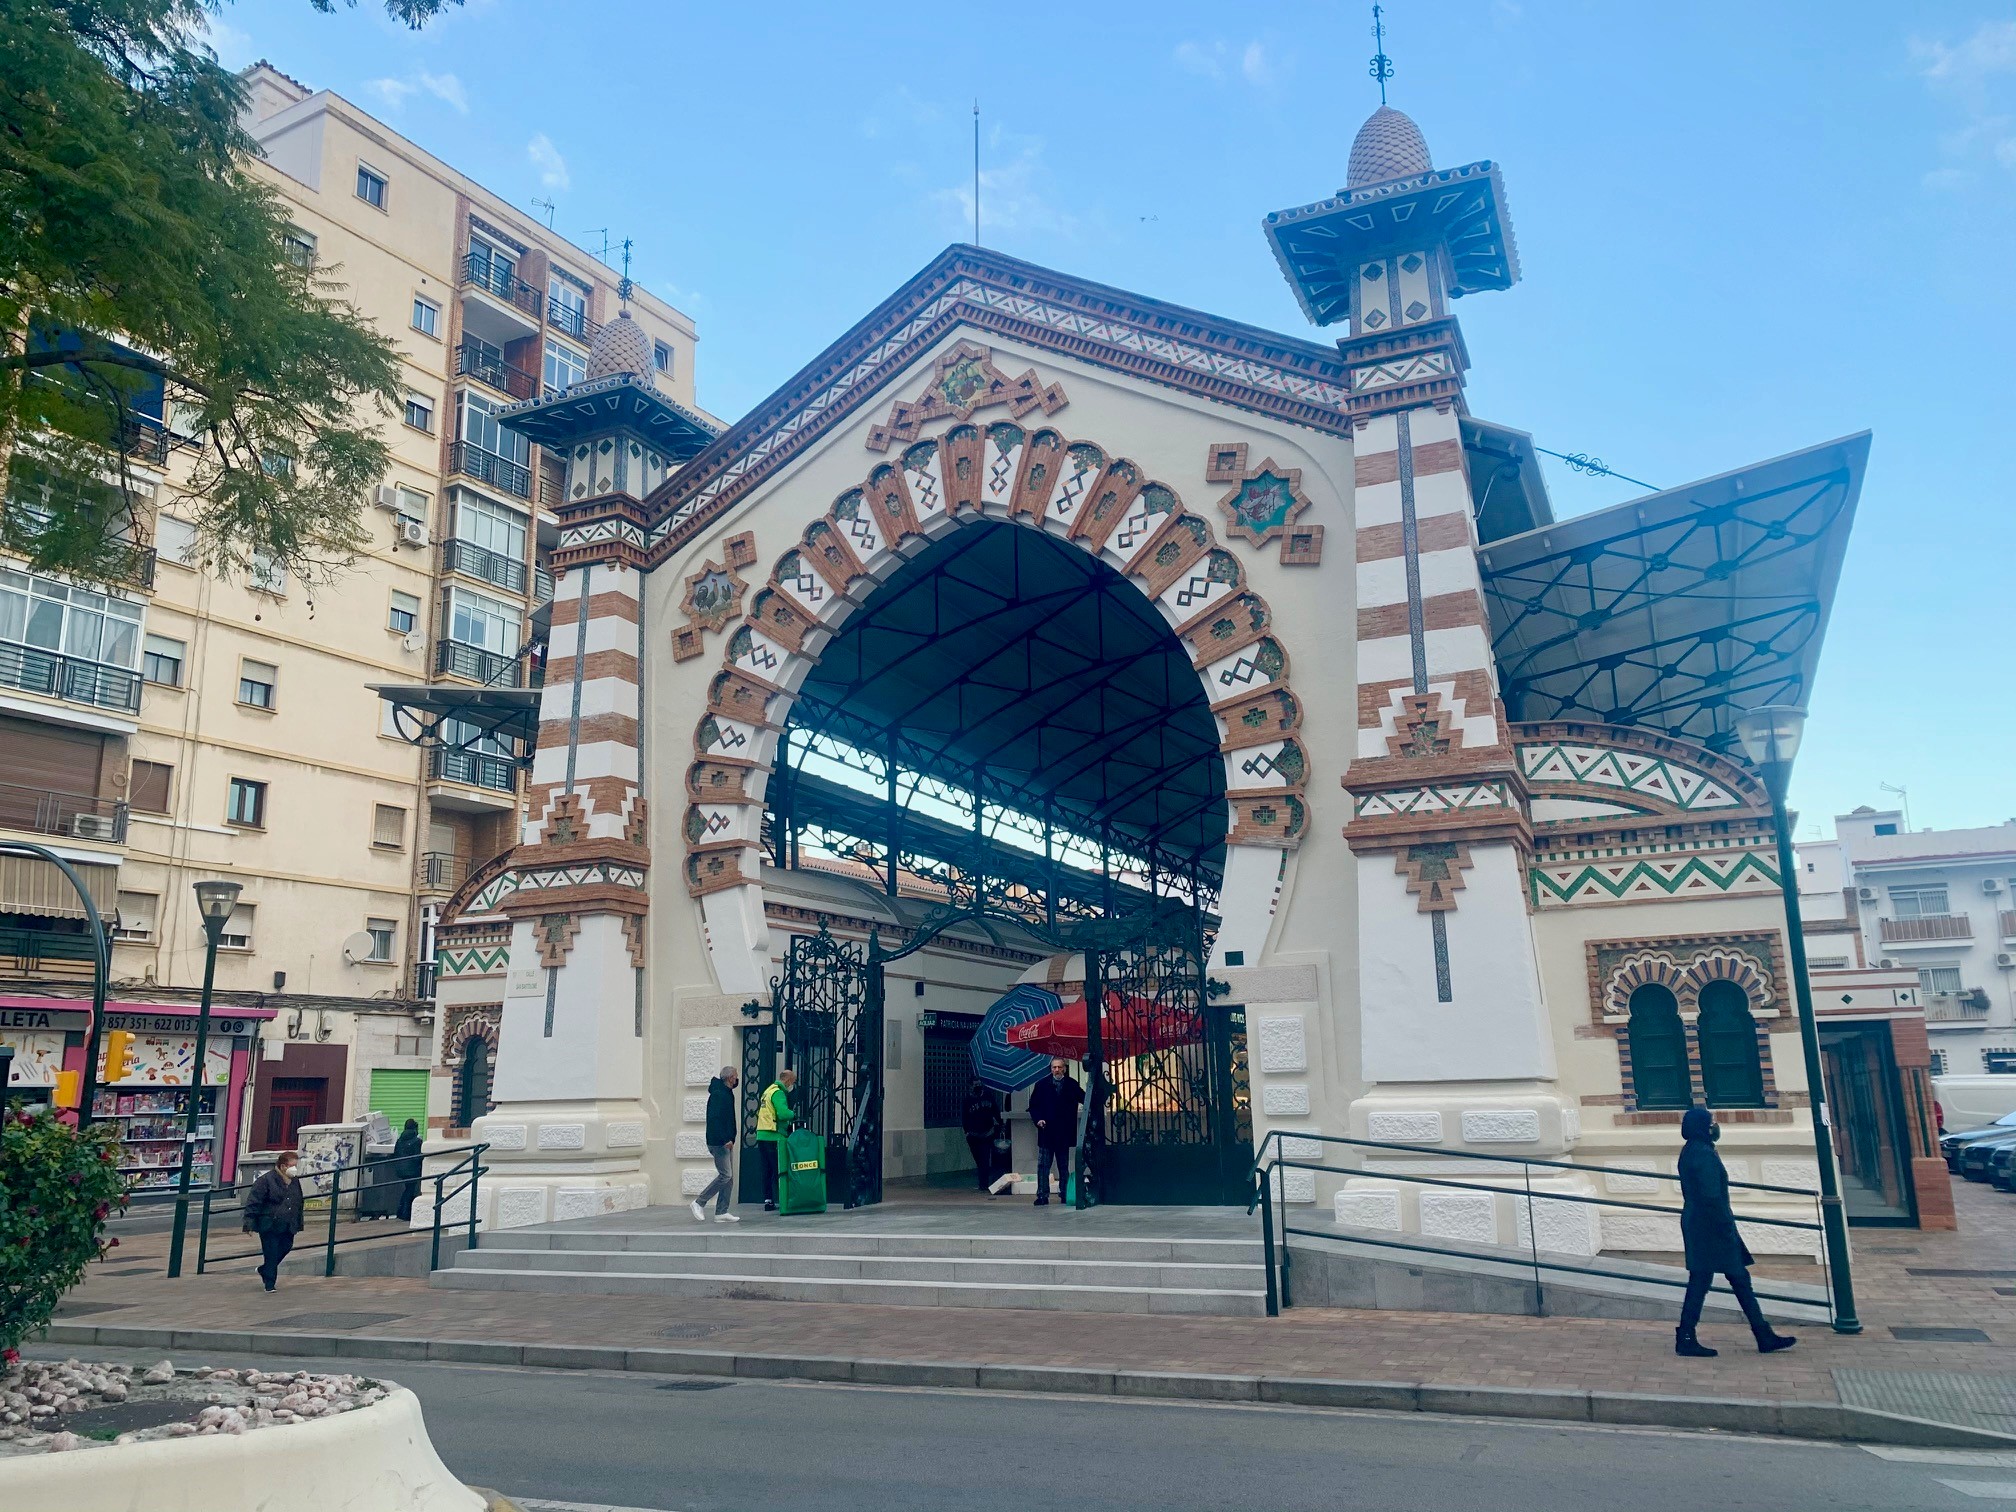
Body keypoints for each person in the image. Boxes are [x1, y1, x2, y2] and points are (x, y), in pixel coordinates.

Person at [1676, 1106, 1798, 1357]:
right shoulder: (1702, 1154)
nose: (1715, 1126)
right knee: (1729, 1279)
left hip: (1701, 1224)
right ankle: (1759, 1334)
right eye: (1711, 1122)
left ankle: (1691, 1335)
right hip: (1711, 1227)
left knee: (1711, 1280)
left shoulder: (1693, 1150)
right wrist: (1726, 1229)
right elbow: (1712, 1196)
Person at [242, 1151, 305, 1292]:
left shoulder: (294, 1181)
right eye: (292, 1165)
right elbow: (254, 1202)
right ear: (283, 1166)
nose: (294, 1169)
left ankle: (265, 1270)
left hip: (288, 1223)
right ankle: (270, 1283)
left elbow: (299, 1201)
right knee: (270, 1252)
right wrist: (249, 1223)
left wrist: (298, 1221)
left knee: (286, 1246)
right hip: (269, 1223)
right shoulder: (265, 1180)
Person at [1025, 1057, 1083, 1207]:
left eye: (1059, 1067)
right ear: (1051, 1069)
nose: (1056, 1070)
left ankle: (1064, 1193)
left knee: (1063, 1165)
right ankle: (1042, 1195)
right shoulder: (1042, 1085)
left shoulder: (1071, 1085)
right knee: (1043, 1165)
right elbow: (1033, 1106)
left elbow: (1085, 1098)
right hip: (1047, 1131)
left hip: (1064, 1132)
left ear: (1064, 1068)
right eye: (1054, 1067)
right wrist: (1038, 1120)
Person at [691, 1065, 742, 1223]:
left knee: (729, 1178)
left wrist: (731, 1138)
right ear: (730, 1078)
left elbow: (728, 1119)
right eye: (735, 1076)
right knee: (725, 1175)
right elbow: (715, 1120)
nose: (737, 1079)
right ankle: (699, 1202)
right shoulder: (719, 1094)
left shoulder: (727, 1093)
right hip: (719, 1142)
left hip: (726, 1141)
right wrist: (724, 1139)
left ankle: (721, 1212)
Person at [752, 1067, 797, 1211]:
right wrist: (794, 1114)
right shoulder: (778, 1093)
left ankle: (768, 1200)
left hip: (762, 1134)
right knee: (779, 1168)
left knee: (767, 1169)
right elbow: (783, 1114)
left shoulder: (768, 1091)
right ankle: (785, 1199)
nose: (792, 1085)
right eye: (793, 1082)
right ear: (788, 1080)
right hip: (774, 1135)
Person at [961, 1080, 1001, 1192]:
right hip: (973, 1135)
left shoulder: (988, 1096)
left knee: (984, 1159)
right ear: (970, 1086)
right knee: (979, 1160)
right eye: (975, 1085)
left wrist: (1000, 1123)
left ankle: (983, 1184)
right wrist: (967, 1131)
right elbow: (964, 1117)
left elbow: (996, 1111)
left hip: (987, 1133)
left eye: (979, 1084)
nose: (978, 1086)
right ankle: (983, 1182)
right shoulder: (967, 1100)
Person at [391, 1118, 424, 1223]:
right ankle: (404, 1213)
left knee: (408, 1189)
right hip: (412, 1170)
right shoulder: (417, 1141)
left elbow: (395, 1154)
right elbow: (418, 1157)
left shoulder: (400, 1140)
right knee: (410, 1190)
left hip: (401, 1170)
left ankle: (401, 1212)